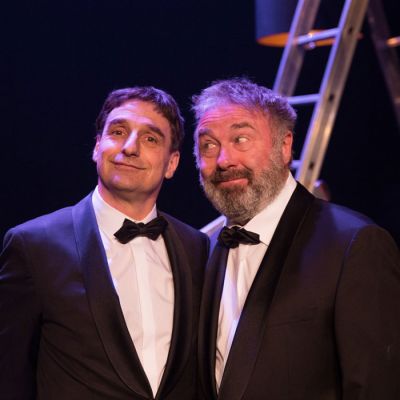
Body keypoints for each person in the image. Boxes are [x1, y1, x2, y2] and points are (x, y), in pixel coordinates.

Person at [192, 77, 400, 399]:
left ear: (285, 146)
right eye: (208, 145)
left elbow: (376, 387)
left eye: (241, 139)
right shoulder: (203, 251)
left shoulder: (353, 245)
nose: (224, 160)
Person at [0, 86, 209, 399]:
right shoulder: (34, 246)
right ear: (97, 147)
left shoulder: (197, 248)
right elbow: (8, 376)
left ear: (172, 163)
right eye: (118, 132)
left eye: (150, 139)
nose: (130, 147)